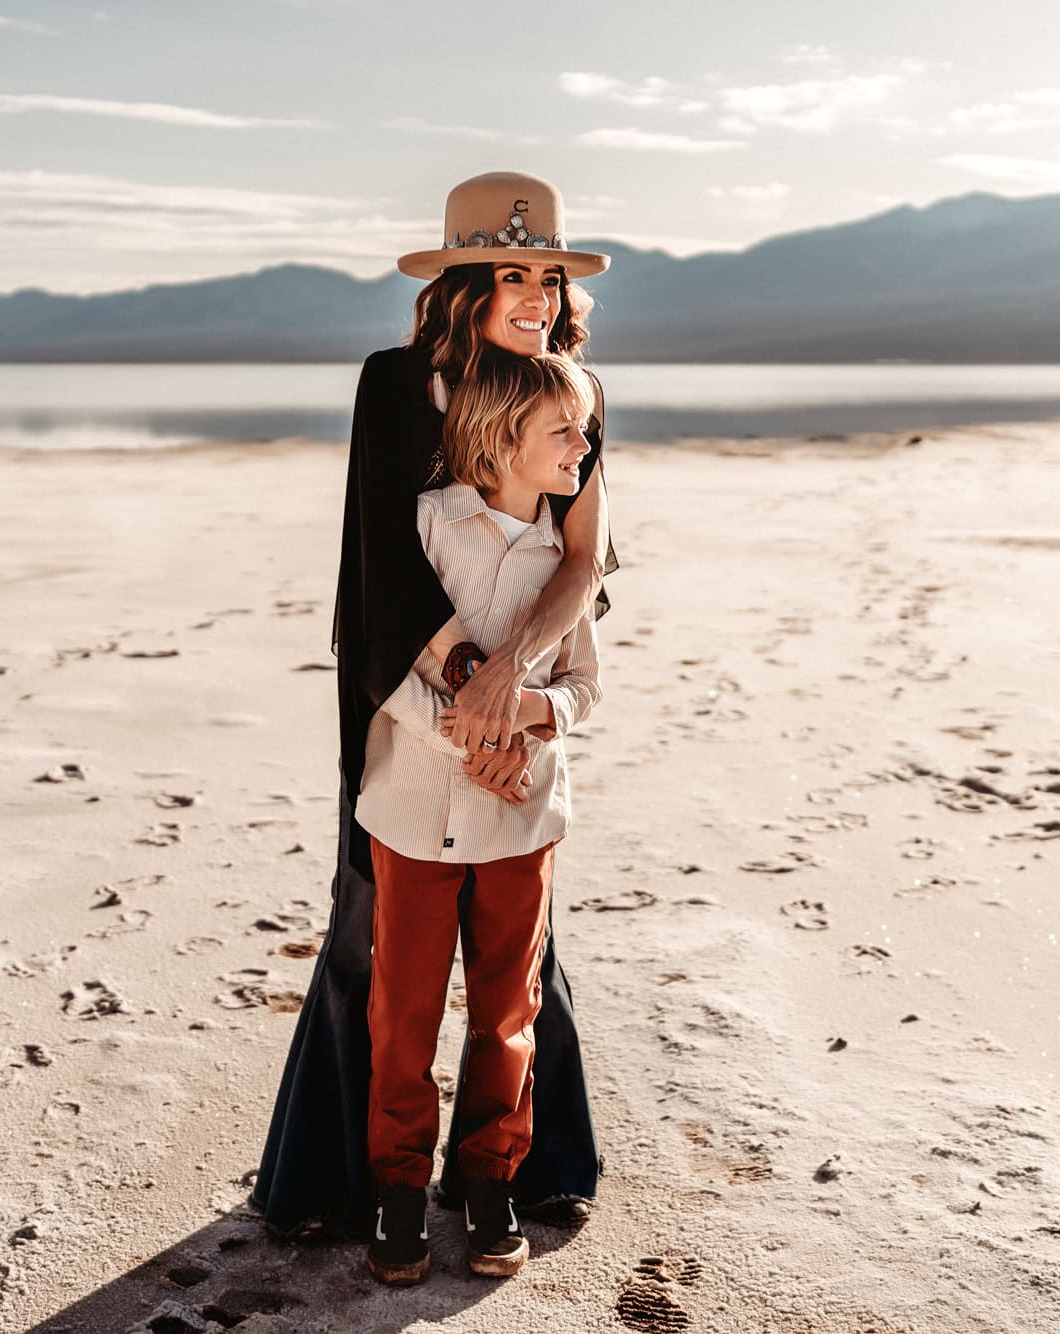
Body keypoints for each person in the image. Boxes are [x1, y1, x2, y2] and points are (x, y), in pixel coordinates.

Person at [252, 171, 615, 1239]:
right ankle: (339, 1179)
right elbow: (381, 568)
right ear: (460, 282)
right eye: (512, 273)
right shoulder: (393, 382)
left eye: (547, 276)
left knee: (518, 955)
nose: (537, 296)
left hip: (524, 682)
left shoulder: (575, 388)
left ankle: (522, 1168)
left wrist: (518, 686)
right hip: (397, 677)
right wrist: (468, 697)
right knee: (371, 937)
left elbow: (585, 560)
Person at [361, 352, 602, 1284]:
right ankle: (394, 1189)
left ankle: (489, 1180)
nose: (587, 445)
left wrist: (532, 722)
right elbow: (390, 669)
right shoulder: (424, 529)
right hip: (414, 810)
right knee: (404, 1013)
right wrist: (473, 742)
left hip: (523, 819)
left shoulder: (567, 564)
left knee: (508, 1010)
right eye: (566, 431)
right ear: (504, 440)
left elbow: (583, 686)